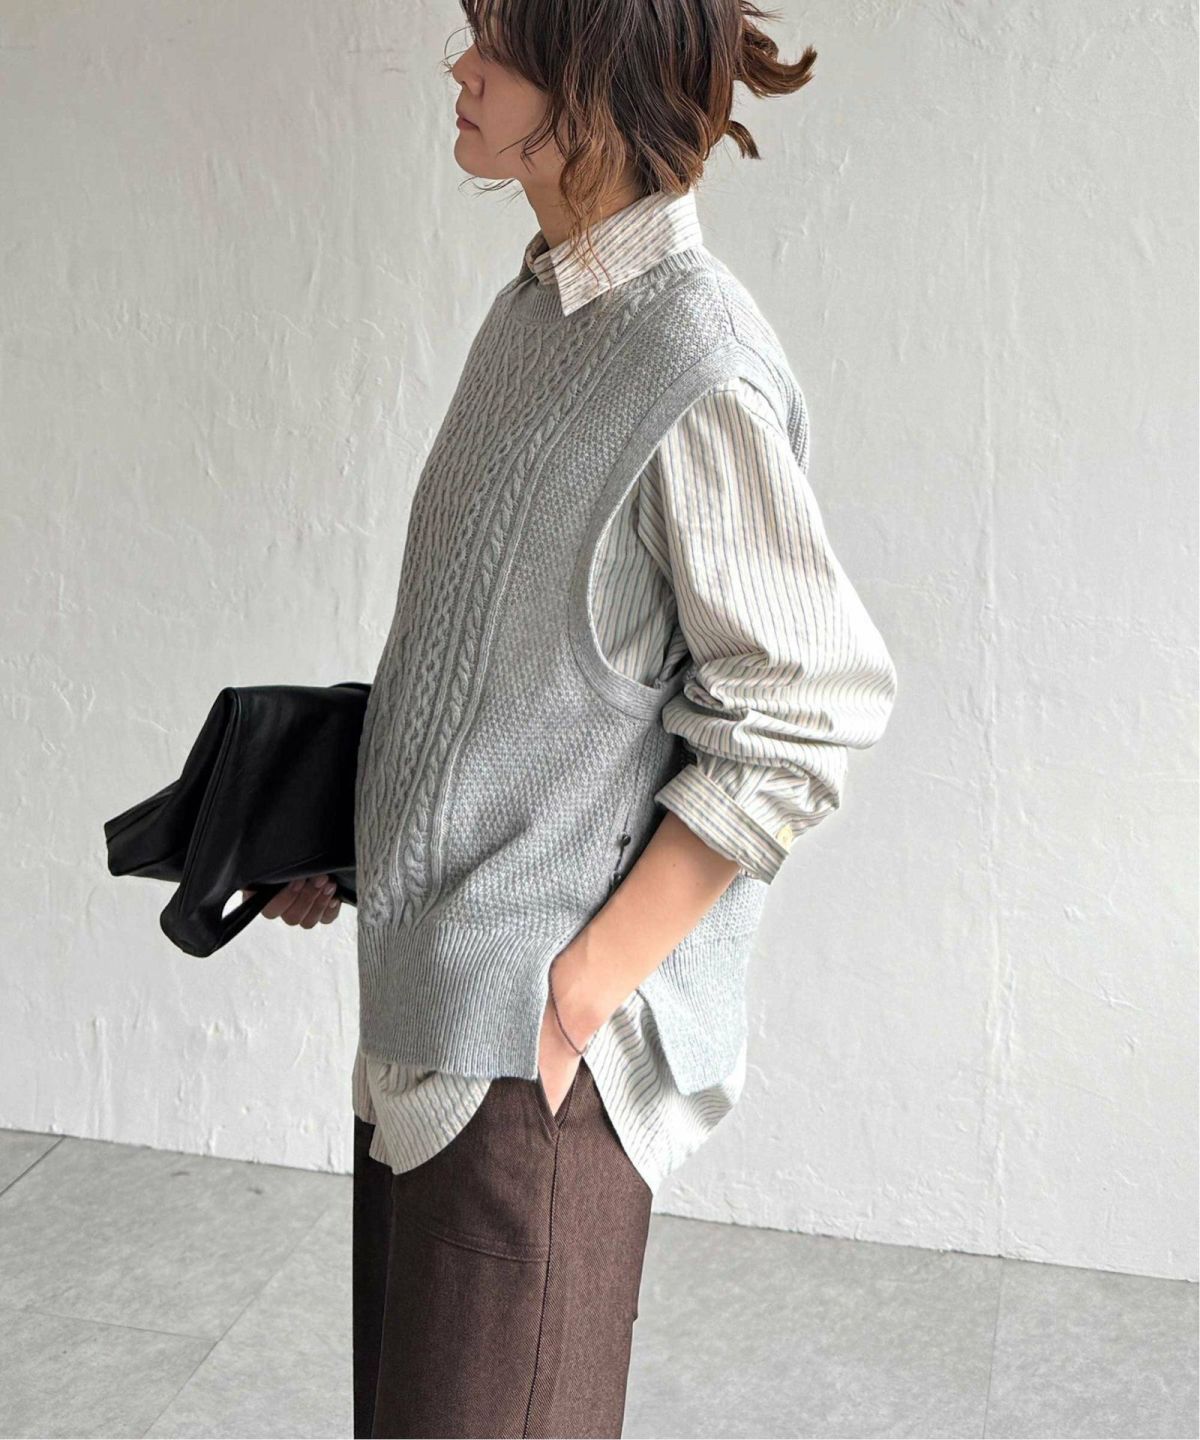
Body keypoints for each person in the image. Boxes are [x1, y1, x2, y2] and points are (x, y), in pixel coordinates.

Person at [251, 2, 897, 1435]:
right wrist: (358, 836)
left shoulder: (695, 365)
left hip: (530, 1075)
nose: (461, 67)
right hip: (431, 1021)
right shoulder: (543, 310)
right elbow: (519, 662)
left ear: (593, 85)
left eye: (501, 45)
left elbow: (806, 703)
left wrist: (581, 992)